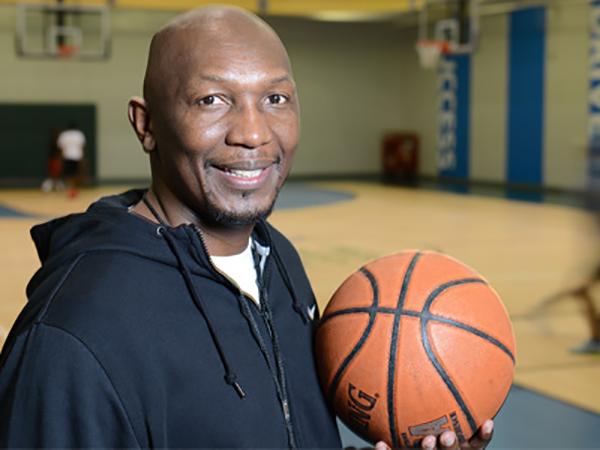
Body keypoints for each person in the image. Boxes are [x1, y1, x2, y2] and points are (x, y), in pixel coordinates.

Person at [0, 6, 494, 449]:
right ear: (145, 125)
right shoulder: (72, 338)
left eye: (276, 98)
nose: (254, 133)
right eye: (213, 100)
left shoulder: (277, 259)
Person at [57, 123, 86, 198]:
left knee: (69, 175)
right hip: (77, 156)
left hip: (67, 156)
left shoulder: (64, 134)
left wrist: (61, 158)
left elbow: (61, 148)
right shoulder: (79, 134)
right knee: (75, 174)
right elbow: (82, 147)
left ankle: (71, 189)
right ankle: (73, 189)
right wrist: (83, 158)